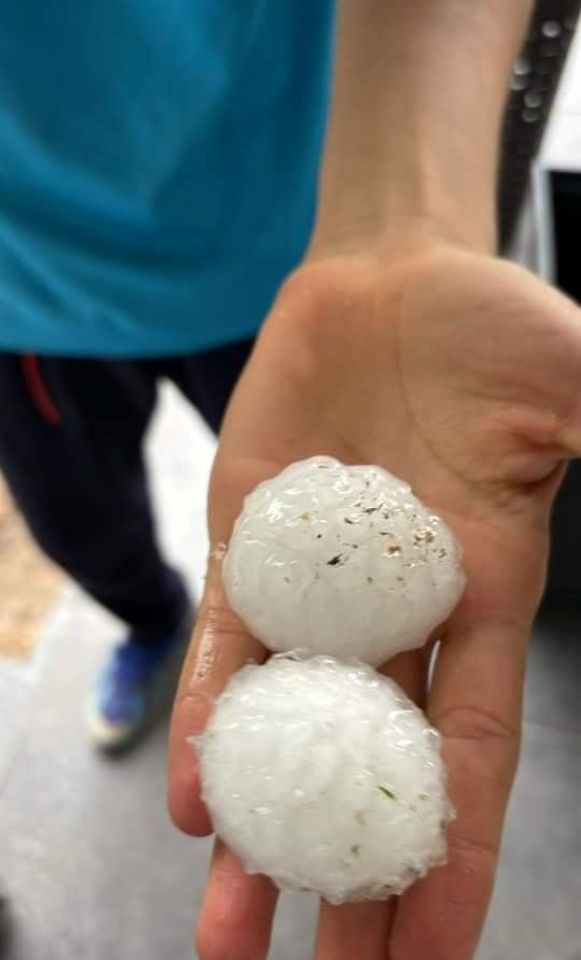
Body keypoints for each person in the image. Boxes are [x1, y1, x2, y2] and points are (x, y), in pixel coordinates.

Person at [1, 1, 581, 957]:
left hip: (302, 229)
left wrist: (410, 223)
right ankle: (149, 620)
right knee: (80, 524)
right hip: (29, 285)